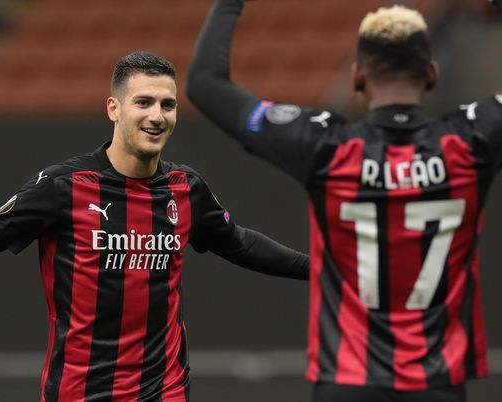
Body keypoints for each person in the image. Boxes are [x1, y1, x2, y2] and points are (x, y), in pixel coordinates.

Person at [0, 51, 308, 402]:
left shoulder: (186, 188)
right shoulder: (63, 187)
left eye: (168, 104)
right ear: (114, 108)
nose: (157, 116)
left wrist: (324, 270)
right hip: (80, 391)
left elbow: (240, 244)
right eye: (144, 103)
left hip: (165, 389)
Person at [188, 1, 502, 401]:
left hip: (347, 384)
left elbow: (205, 83)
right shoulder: (472, 140)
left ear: (357, 76)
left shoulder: (328, 148)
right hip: (436, 386)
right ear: (431, 73)